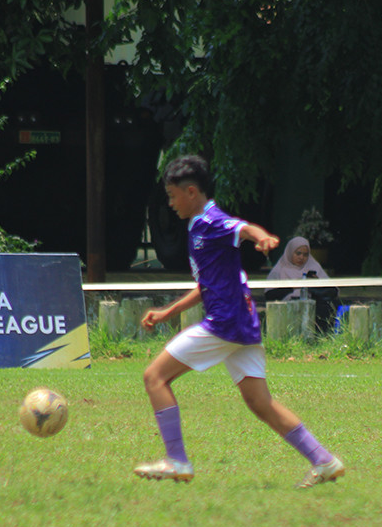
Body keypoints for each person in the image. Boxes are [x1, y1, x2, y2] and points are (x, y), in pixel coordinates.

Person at [134, 155, 344, 488]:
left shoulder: (211, 221)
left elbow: (242, 228)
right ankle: (324, 460)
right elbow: (206, 285)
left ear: (191, 192)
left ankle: (176, 460)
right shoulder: (197, 226)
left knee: (154, 377)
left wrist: (261, 237)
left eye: (172, 196)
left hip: (225, 324)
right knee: (261, 404)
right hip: (242, 325)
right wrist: (168, 313)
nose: (170, 204)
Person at [265, 237, 340, 332]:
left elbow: (333, 291)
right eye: (298, 253)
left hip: (314, 310)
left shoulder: (313, 266)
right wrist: (293, 286)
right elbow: (270, 295)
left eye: (305, 254)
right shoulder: (279, 270)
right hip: (287, 311)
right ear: (290, 252)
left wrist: (316, 283)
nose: (301, 257)